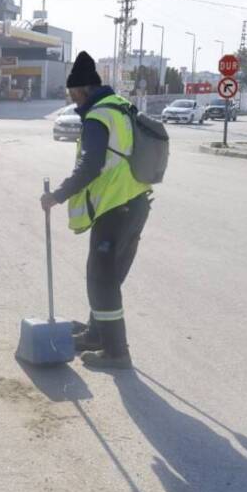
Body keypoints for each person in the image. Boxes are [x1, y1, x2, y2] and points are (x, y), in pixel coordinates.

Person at [40, 51, 152, 370]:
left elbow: (90, 166)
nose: (72, 100)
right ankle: (96, 334)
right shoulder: (119, 106)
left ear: (83, 89)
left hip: (117, 207)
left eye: (73, 93)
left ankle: (116, 351)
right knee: (107, 276)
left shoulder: (98, 116)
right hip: (135, 203)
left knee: (101, 280)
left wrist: (57, 195)